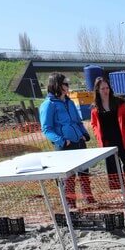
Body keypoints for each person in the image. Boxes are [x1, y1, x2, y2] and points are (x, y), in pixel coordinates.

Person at [39, 72, 95, 207]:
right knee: (68, 177)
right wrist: (62, 141)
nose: (68, 86)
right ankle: (70, 204)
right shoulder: (48, 105)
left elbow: (78, 121)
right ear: (57, 85)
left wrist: (84, 134)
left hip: (79, 143)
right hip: (65, 146)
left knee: (84, 174)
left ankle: (89, 199)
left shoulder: (70, 102)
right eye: (65, 83)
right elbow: (47, 129)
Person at [91, 77, 125, 191]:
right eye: (102, 89)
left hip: (121, 139)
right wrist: (98, 135)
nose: (106, 91)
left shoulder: (119, 102)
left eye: (107, 88)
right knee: (112, 168)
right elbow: (94, 124)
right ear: (97, 90)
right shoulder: (95, 107)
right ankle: (121, 189)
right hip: (107, 141)